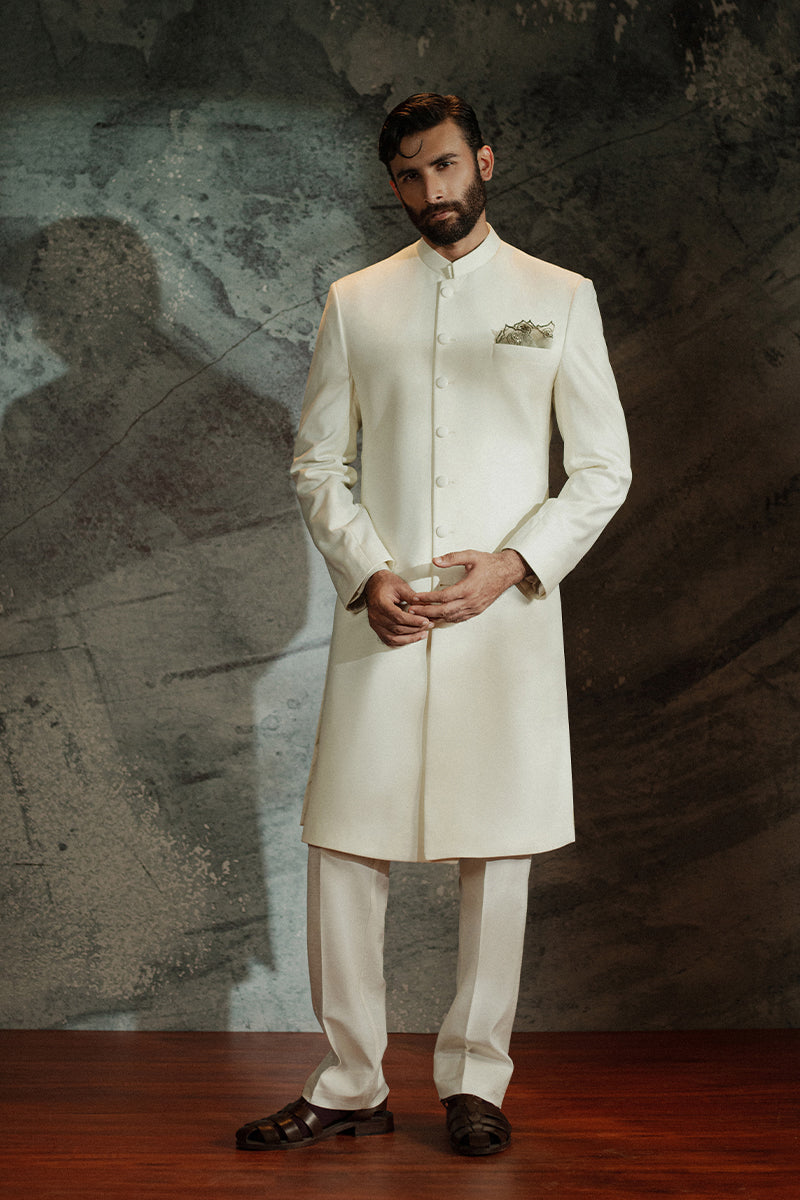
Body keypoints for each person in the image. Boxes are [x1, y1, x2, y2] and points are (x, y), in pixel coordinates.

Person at [236, 92, 631, 1157]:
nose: (432, 190)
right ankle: (349, 1082)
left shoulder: (558, 297)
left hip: (504, 620)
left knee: (497, 854)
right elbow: (319, 463)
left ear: (483, 162)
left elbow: (602, 469)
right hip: (385, 614)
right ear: (393, 183)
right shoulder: (355, 300)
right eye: (410, 174)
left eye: (446, 165)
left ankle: (475, 1081)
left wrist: (515, 564)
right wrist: (365, 572)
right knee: (342, 845)